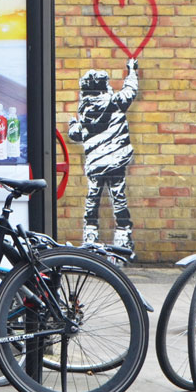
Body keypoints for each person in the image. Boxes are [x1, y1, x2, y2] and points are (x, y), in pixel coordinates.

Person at [68, 59, 138, 256]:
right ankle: (123, 237)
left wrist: (72, 124)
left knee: (93, 198)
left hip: (96, 165)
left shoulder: (84, 113)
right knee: (119, 197)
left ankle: (90, 235)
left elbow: (77, 135)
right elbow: (131, 89)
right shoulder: (116, 102)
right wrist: (132, 70)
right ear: (105, 86)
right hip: (117, 162)